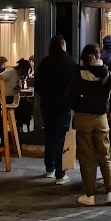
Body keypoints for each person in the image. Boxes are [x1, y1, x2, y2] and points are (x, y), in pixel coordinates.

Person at [69, 43, 111, 206]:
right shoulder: (110, 76)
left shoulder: (76, 75)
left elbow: (71, 98)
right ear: (100, 55)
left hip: (82, 118)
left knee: (86, 157)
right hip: (101, 119)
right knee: (104, 156)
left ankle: (89, 195)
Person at [34, 35, 77, 185]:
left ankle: (49, 169)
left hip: (47, 104)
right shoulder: (70, 62)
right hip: (64, 105)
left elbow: (37, 84)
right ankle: (60, 174)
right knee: (60, 137)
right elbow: (75, 85)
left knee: (49, 135)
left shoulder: (45, 62)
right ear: (63, 46)